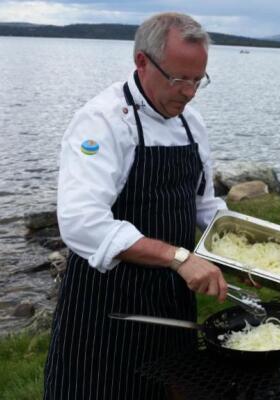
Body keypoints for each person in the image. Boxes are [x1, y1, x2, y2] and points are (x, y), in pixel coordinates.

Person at [44, 13, 228, 399]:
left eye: (198, 80)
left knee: (170, 388)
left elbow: (204, 204)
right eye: (179, 79)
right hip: (107, 304)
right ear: (142, 61)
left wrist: (240, 247)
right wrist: (178, 256)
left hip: (172, 295)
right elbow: (82, 222)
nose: (190, 92)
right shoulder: (102, 121)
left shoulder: (192, 123)